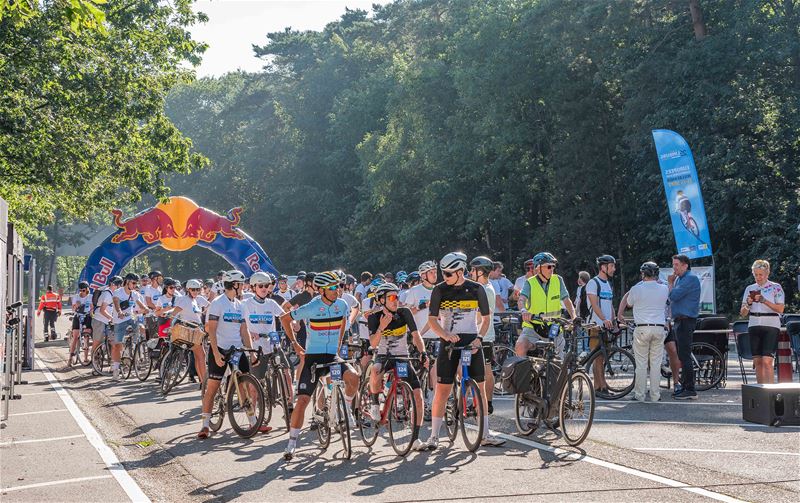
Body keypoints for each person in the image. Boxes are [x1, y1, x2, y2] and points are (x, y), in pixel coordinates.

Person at [421, 252, 503, 450]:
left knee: (481, 389)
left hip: (471, 341)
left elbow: (486, 318)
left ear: (459, 271)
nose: (444, 277)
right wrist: (445, 335)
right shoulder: (440, 290)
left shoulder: (477, 289)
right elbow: (432, 320)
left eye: (448, 274)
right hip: (448, 343)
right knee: (442, 390)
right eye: (443, 273)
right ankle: (433, 436)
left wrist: (479, 339)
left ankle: (485, 434)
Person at [280, 271, 358, 460]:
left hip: (331, 356)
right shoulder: (313, 306)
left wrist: (338, 346)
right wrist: (296, 345)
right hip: (313, 359)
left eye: (338, 286)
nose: (337, 290)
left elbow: (342, 323)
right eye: (332, 288)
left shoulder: (342, 304)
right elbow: (285, 319)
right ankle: (291, 443)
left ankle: (346, 408)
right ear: (322, 290)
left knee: (354, 377)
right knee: (303, 402)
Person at [198, 270, 266, 439]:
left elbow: (244, 330)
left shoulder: (240, 304)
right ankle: (205, 425)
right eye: (241, 284)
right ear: (235, 284)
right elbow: (211, 329)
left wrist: (250, 352)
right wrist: (215, 352)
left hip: (237, 349)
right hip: (220, 348)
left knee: (243, 385)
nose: (243, 287)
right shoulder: (217, 303)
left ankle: (253, 421)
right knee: (212, 387)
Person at [366, 282, 427, 450]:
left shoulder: (405, 312)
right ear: (381, 300)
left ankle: (415, 439)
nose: (396, 300)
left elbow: (416, 335)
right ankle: (374, 403)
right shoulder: (373, 316)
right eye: (391, 297)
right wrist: (382, 326)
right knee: (375, 369)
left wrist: (423, 353)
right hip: (384, 356)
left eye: (397, 297)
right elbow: (373, 343)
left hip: (402, 357)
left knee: (418, 397)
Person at [243, 271, 290, 428]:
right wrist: (250, 333)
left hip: (272, 345)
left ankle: (289, 403)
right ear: (254, 287)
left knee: (286, 371)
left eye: (266, 286)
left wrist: (295, 322)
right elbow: (240, 325)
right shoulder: (246, 304)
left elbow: (285, 316)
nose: (264, 288)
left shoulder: (271, 304)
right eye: (260, 286)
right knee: (254, 386)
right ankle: (253, 420)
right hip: (256, 348)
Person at [618, 262, 669, 402]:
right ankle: (655, 395)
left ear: (643, 274)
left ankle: (640, 395)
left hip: (642, 328)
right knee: (656, 363)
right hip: (659, 327)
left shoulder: (636, 289)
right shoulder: (664, 289)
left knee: (641, 364)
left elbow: (629, 303)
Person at [515, 252, 576, 358]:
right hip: (533, 327)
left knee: (559, 365)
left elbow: (567, 300)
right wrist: (524, 311)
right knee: (520, 346)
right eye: (548, 266)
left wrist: (574, 317)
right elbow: (521, 300)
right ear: (538, 268)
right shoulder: (530, 282)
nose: (551, 269)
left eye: (553, 266)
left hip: (554, 328)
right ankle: (523, 373)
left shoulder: (558, 280)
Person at [469, 255, 504, 421]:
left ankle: (487, 402)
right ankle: (479, 401)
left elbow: (481, 315)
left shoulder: (486, 290)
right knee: (478, 370)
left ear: (480, 272)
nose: (470, 272)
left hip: (483, 336)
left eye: (473, 270)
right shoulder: (482, 287)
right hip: (481, 334)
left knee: (486, 370)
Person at [740, 259, 785, 384]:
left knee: (767, 361)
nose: (758, 277)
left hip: (771, 325)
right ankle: (760, 392)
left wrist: (764, 300)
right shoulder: (750, 288)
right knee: (758, 361)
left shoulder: (775, 287)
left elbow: (780, 309)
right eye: (756, 274)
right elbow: (742, 313)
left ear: (767, 274)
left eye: (761, 274)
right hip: (754, 324)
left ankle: (770, 392)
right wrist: (748, 304)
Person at [667, 254, 701, 400]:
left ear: (685, 265)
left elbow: (673, 296)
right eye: (673, 264)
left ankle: (690, 388)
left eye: (676, 264)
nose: (674, 267)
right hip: (680, 320)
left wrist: (669, 283)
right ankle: (685, 385)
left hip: (686, 320)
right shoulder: (681, 279)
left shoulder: (690, 278)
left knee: (685, 355)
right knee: (682, 355)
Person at [163, 279, 209, 383]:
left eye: (198, 289)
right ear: (188, 289)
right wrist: (168, 315)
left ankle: (203, 381)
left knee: (199, 356)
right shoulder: (184, 300)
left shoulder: (199, 299)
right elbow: (175, 312)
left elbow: (210, 306)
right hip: (189, 329)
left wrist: (204, 313)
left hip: (197, 328)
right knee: (201, 355)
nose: (195, 292)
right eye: (193, 289)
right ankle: (204, 381)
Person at [586, 254, 616, 392]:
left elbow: (610, 305)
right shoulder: (593, 283)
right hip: (596, 325)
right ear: (603, 267)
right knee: (597, 357)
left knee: (603, 357)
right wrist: (604, 319)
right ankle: (600, 386)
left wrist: (614, 320)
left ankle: (600, 384)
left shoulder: (608, 284)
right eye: (612, 266)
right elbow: (594, 304)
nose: (614, 269)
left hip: (607, 325)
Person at [111, 273, 149, 380]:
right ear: (127, 282)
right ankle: (116, 369)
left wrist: (147, 309)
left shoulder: (135, 294)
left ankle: (137, 348)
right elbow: (116, 303)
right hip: (120, 320)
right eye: (133, 282)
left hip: (131, 318)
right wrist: (119, 311)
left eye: (136, 283)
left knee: (140, 328)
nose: (135, 285)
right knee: (118, 345)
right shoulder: (118, 292)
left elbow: (141, 305)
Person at [91, 276, 120, 358]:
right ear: (114, 284)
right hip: (99, 320)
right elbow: (102, 310)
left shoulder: (113, 294)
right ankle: (94, 361)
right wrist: (112, 318)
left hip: (107, 322)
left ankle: (112, 363)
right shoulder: (107, 294)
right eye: (119, 285)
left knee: (113, 342)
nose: (120, 287)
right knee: (97, 343)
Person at [68, 281, 93, 365]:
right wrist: (76, 306)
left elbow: (92, 308)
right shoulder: (76, 297)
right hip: (78, 316)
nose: (82, 292)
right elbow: (73, 308)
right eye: (80, 290)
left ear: (87, 289)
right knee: (75, 336)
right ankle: (70, 358)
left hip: (87, 316)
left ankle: (85, 358)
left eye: (83, 290)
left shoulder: (90, 297)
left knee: (86, 336)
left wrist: (92, 313)